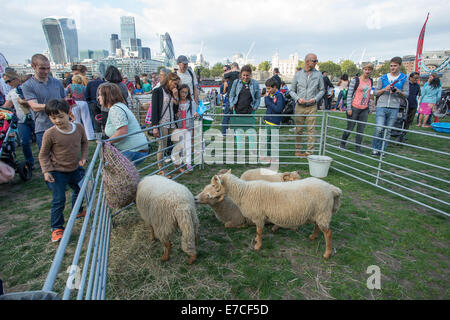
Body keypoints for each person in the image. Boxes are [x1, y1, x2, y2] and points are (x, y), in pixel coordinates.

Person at [38, 99, 88, 243]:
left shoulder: (78, 128)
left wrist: (84, 157)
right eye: (53, 118)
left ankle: (78, 211)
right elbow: (43, 154)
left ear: (68, 114)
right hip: (57, 171)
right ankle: (57, 228)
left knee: (81, 190)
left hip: (75, 168)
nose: (57, 120)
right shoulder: (50, 134)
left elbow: (84, 143)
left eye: (60, 116)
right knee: (59, 199)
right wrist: (46, 171)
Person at [21, 54, 65, 149]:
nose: (46, 71)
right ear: (33, 66)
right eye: (42, 68)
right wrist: (55, 107)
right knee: (47, 158)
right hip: (43, 127)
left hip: (62, 125)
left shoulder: (57, 82)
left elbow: (64, 100)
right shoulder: (27, 85)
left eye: (48, 68)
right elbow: (34, 106)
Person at [97, 82, 149, 164]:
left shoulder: (115, 109)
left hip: (133, 151)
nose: (98, 97)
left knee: (113, 174)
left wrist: (106, 143)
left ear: (107, 96)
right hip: (137, 149)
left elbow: (122, 131)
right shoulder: (120, 106)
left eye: (100, 95)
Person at [371, 56, 409, 157]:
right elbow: (375, 92)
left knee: (388, 130)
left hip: (394, 106)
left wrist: (397, 91)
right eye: (391, 66)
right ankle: (375, 148)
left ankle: (382, 150)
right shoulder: (383, 78)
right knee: (379, 128)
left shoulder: (404, 78)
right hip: (381, 106)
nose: (393, 68)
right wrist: (384, 89)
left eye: (395, 66)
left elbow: (406, 94)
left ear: (399, 66)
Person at [289, 53, 325, 157]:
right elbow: (291, 90)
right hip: (299, 106)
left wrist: (315, 99)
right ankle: (298, 150)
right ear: (307, 61)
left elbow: (322, 90)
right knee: (299, 130)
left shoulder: (318, 75)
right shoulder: (298, 74)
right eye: (314, 61)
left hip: (312, 106)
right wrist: (298, 99)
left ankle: (309, 152)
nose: (316, 62)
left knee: (311, 130)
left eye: (316, 60)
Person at [1, 70, 35, 168]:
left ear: (15, 78)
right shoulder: (11, 93)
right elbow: (6, 106)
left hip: (35, 117)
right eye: (6, 82)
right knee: (24, 142)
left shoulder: (28, 88)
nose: (8, 83)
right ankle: (30, 162)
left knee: (42, 140)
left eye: (9, 81)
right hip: (22, 120)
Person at [340, 63, 374, 154]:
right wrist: (349, 108)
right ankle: (342, 143)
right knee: (350, 128)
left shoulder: (371, 80)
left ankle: (358, 148)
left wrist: (370, 107)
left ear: (371, 71)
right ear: (363, 70)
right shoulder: (356, 80)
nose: (367, 71)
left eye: (369, 70)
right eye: (366, 69)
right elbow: (349, 94)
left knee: (361, 129)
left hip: (364, 108)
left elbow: (369, 95)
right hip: (354, 107)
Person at [151, 72, 181, 177]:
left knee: (178, 142)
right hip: (162, 123)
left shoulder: (171, 92)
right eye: (174, 83)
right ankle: (162, 169)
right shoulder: (158, 91)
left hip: (172, 122)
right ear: (169, 81)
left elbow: (175, 108)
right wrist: (154, 126)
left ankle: (176, 165)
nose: (175, 86)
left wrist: (176, 96)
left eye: (177, 84)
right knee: (162, 146)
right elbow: (154, 110)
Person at [229, 65, 261, 153]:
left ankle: (252, 149)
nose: (245, 77)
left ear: (250, 75)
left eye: (247, 75)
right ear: (241, 75)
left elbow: (258, 98)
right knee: (239, 131)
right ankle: (240, 149)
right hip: (238, 110)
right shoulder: (236, 82)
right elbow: (231, 95)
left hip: (250, 110)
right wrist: (232, 105)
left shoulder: (255, 83)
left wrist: (255, 107)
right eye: (244, 75)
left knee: (251, 131)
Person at [176, 84, 197, 172]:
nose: (184, 94)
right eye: (182, 92)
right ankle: (179, 162)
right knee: (180, 146)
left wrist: (196, 114)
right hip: (179, 127)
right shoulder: (176, 102)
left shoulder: (191, 103)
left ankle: (188, 163)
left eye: (186, 92)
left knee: (188, 145)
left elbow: (194, 113)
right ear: (179, 92)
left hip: (188, 127)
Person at [264, 78, 285, 157]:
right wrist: (268, 99)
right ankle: (268, 156)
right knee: (267, 140)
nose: (267, 91)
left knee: (274, 141)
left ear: (274, 87)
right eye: (267, 89)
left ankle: (274, 157)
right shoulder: (271, 95)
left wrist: (268, 100)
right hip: (268, 121)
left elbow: (278, 109)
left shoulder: (279, 96)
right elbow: (267, 105)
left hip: (275, 123)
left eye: (269, 89)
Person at [399, 72, 421, 141]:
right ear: (410, 78)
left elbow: (418, 95)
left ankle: (403, 134)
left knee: (408, 121)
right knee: (401, 120)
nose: (416, 80)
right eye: (415, 78)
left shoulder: (417, 86)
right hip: (404, 105)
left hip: (413, 105)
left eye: (417, 78)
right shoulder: (406, 84)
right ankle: (398, 133)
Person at [222, 62, 240, 135]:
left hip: (231, 97)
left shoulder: (231, 73)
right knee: (237, 116)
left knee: (226, 115)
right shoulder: (241, 73)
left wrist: (230, 71)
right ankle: (237, 132)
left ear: (232, 68)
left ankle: (224, 133)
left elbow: (223, 75)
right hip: (239, 97)